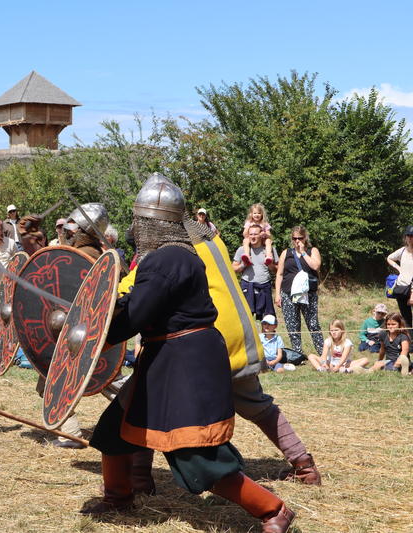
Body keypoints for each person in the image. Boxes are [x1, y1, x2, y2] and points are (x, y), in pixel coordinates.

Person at [86, 173, 295, 532]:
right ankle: (118, 497)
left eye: (140, 221)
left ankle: (272, 510)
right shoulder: (180, 255)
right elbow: (142, 303)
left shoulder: (165, 260)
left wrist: (99, 329)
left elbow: (137, 314)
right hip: (166, 358)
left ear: (152, 223)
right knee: (114, 429)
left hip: (184, 362)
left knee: (194, 455)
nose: (137, 229)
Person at [274, 226, 324, 355]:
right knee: (292, 326)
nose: (297, 241)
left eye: (300, 238)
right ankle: (298, 354)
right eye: (294, 238)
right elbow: (279, 274)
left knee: (313, 324)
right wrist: (277, 294)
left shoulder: (313, 250)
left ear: (305, 238)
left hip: (308, 294)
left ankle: (322, 352)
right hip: (288, 294)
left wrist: (303, 253)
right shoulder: (286, 253)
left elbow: (316, 266)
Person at [233, 224, 279, 320]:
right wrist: (243, 265)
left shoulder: (269, 250)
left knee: (268, 319)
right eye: (251, 234)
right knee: (246, 318)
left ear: (261, 235)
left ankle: (264, 335)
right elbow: (233, 268)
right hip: (247, 285)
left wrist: (270, 265)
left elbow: (278, 271)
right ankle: (249, 336)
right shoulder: (242, 250)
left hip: (264, 286)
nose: (253, 237)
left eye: (255, 234)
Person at [386, 226, 413, 327]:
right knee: (406, 319)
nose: (410, 238)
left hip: (412, 289)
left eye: (412, 236)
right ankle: (409, 341)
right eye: (408, 235)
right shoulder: (402, 251)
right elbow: (389, 258)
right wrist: (398, 268)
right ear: (405, 237)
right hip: (402, 288)